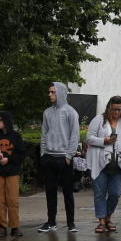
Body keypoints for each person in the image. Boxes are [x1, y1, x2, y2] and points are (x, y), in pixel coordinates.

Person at [86, 95, 121, 234]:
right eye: (114, 109)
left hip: (119, 164)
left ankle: (108, 217)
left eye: (119, 110)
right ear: (109, 107)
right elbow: (88, 138)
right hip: (99, 163)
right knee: (100, 194)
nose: (116, 113)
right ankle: (101, 221)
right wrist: (103, 141)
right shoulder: (99, 120)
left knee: (115, 193)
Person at [39, 82, 81, 232]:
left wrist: (69, 155)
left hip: (64, 158)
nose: (49, 94)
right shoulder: (47, 112)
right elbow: (44, 134)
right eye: (49, 92)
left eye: (52, 92)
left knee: (68, 192)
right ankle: (51, 222)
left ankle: (71, 223)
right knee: (50, 191)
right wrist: (43, 153)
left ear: (61, 93)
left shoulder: (71, 112)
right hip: (49, 157)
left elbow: (74, 136)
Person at [0, 111, 27, 238]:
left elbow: (21, 155)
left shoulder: (16, 136)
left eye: (0, 120)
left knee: (12, 200)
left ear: (6, 121)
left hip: (12, 172)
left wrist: (8, 159)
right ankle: (1, 226)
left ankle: (14, 226)